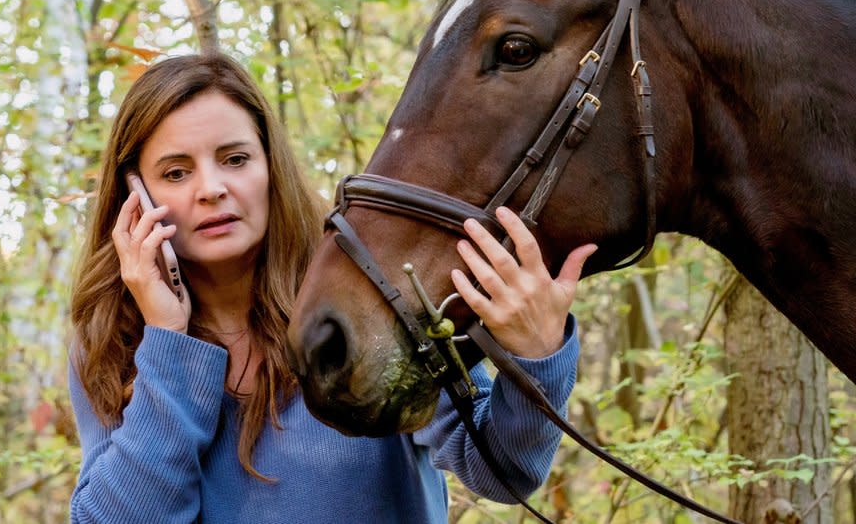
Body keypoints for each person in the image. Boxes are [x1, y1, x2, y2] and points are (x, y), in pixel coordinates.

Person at [68, 52, 596, 524]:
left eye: (235, 159)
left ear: (271, 167)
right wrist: (168, 340)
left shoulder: (361, 296)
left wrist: (535, 355)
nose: (212, 190)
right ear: (135, 196)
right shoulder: (114, 337)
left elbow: (503, 470)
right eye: (176, 173)